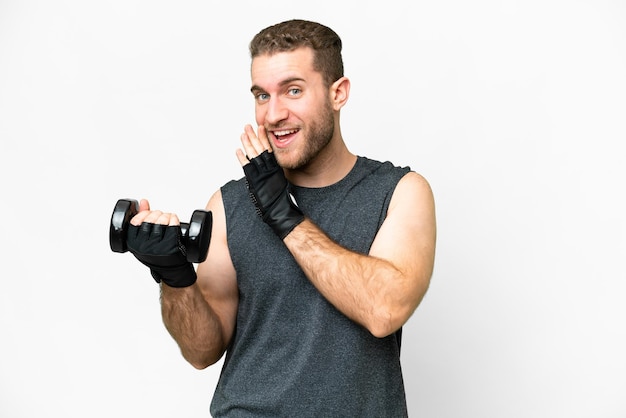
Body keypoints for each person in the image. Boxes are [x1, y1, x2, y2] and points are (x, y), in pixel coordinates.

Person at [125, 19, 436, 417]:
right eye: (261, 95)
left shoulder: (399, 192)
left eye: (293, 90)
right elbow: (202, 350)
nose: (272, 115)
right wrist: (175, 277)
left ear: (337, 93)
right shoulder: (229, 203)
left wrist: (283, 215)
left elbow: (383, 311)